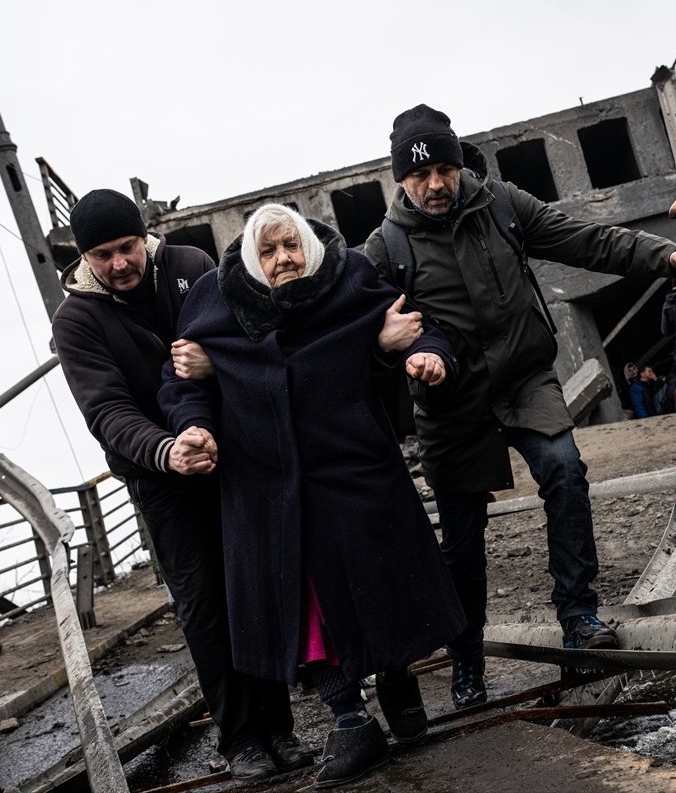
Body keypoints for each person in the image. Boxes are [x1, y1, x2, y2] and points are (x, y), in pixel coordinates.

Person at [362, 104, 676, 709]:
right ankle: (467, 655)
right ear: (400, 180)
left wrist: (662, 257)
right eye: (419, 176)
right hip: (449, 405)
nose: (435, 185)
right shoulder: (383, 248)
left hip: (525, 378)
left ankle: (578, 614)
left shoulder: (502, 204)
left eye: (443, 168)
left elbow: (584, 238)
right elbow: (364, 335)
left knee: (565, 471)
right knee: (461, 540)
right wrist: (394, 351)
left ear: (457, 161)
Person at [158, 204, 466, 789]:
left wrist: (426, 356)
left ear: (309, 245)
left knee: (382, 584)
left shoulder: (348, 276)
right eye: (269, 251)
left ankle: (398, 679)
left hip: (353, 467)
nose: (284, 260)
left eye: (291, 246)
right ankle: (350, 719)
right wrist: (191, 424)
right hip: (265, 488)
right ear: (252, 257)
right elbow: (179, 381)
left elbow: (423, 329)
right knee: (310, 614)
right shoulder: (216, 300)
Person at [51, 190, 305, 782]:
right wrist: (167, 450)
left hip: (233, 454)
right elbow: (107, 411)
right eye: (101, 255)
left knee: (257, 584)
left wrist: (215, 392)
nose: (119, 264)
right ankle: (241, 736)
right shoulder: (77, 322)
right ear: (83, 257)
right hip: (159, 475)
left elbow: (244, 338)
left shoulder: (192, 268)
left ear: (146, 238)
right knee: (203, 603)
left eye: (127, 247)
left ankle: (280, 726)